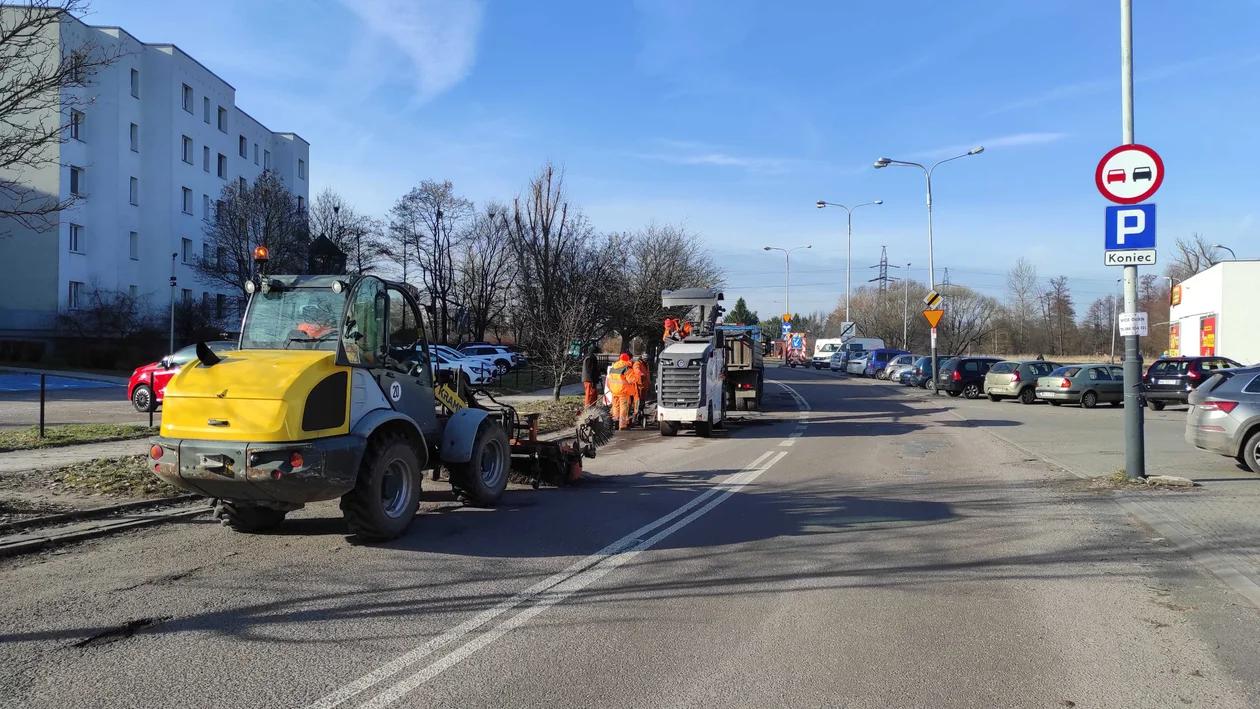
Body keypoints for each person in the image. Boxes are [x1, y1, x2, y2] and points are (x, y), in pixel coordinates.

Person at [606, 353, 639, 430]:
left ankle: (615, 423)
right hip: (623, 392)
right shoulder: (627, 369)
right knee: (624, 409)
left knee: (615, 408)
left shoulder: (613, 368)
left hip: (614, 392)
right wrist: (637, 375)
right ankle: (623, 425)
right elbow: (631, 380)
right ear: (628, 359)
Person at [631, 354, 652, 423]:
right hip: (639, 385)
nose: (647, 361)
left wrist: (649, 385)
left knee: (642, 401)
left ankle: (640, 413)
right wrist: (641, 374)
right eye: (646, 359)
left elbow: (647, 375)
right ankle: (636, 414)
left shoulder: (646, 365)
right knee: (637, 401)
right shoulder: (637, 363)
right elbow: (636, 369)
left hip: (644, 386)